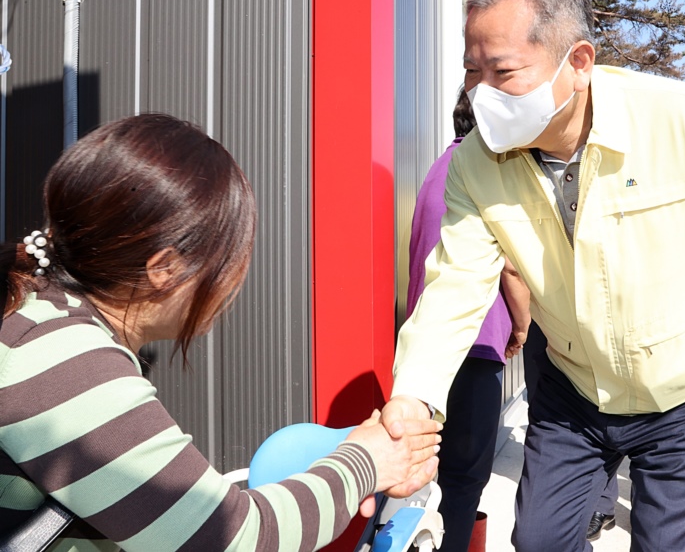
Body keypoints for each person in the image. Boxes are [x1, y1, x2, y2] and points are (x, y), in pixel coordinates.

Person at [382, 0, 685, 552]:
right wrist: (413, 399)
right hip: (572, 393)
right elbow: (453, 289)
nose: (483, 94)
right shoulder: (476, 161)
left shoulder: (682, 119)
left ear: (577, 62)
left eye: (504, 72)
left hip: (681, 396)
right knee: (539, 541)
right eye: (474, 73)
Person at [0, 114, 441, 551]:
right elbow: (233, 538)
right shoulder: (66, 361)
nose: (232, 283)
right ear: (165, 269)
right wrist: (367, 463)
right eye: (228, 260)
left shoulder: (40, 320)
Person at [406, 89, 532, 552]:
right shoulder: (484, 177)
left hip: (429, 346)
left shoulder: (439, 169)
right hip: (476, 346)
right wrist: (522, 327)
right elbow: (513, 268)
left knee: (428, 471)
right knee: (464, 478)